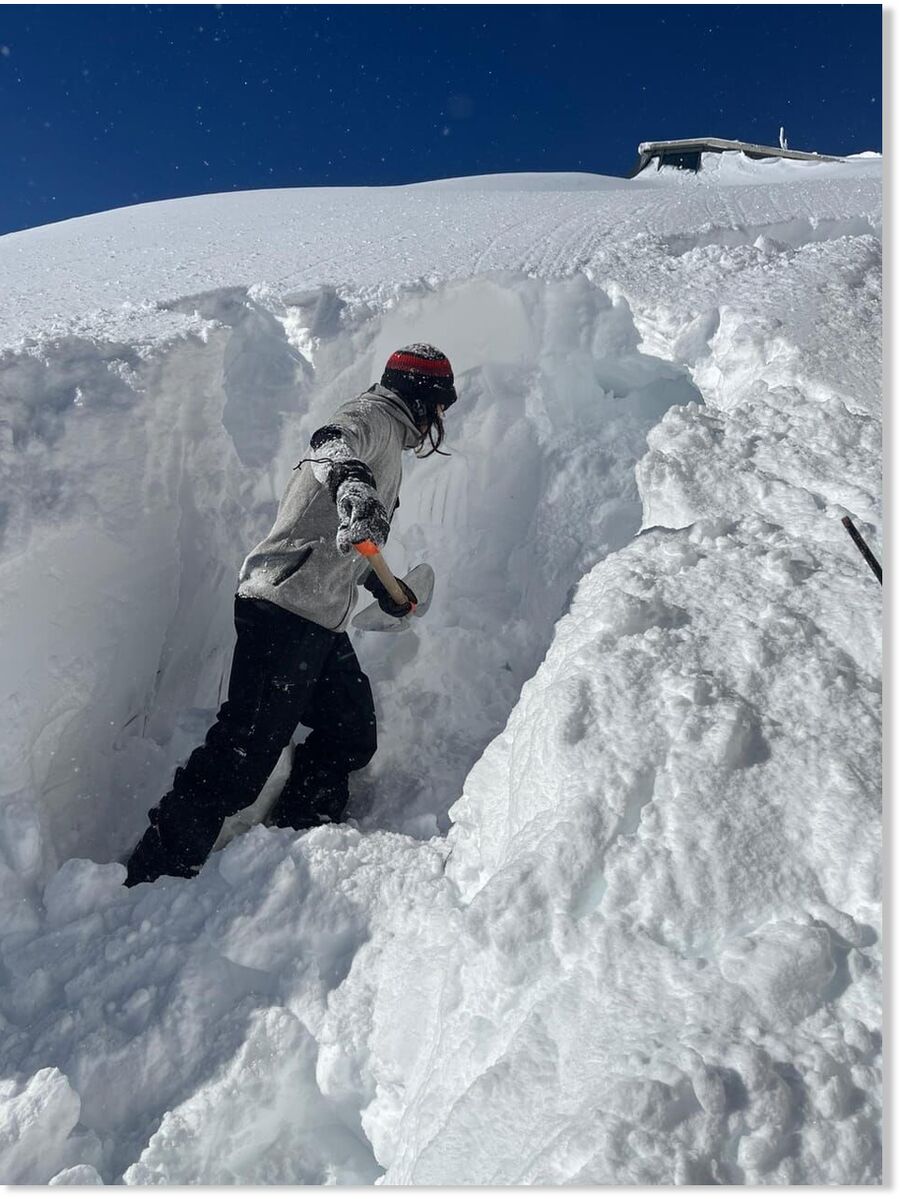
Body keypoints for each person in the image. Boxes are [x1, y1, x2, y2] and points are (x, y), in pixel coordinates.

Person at [124, 343, 456, 886]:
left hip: (318, 616)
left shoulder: (389, 442)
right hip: (283, 608)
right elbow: (330, 442)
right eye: (440, 404)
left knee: (350, 732)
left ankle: (302, 826)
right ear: (422, 397)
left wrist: (383, 586)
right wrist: (352, 480)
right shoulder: (372, 416)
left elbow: (342, 537)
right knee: (242, 754)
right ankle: (155, 868)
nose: (440, 418)